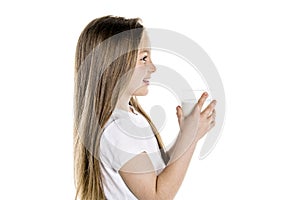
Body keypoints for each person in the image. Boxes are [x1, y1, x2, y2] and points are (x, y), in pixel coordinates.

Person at [73, 15, 217, 200]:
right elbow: (157, 196)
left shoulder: (128, 117)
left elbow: (157, 171)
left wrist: (187, 135)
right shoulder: (119, 130)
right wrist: (191, 137)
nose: (153, 67)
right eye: (144, 58)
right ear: (114, 64)